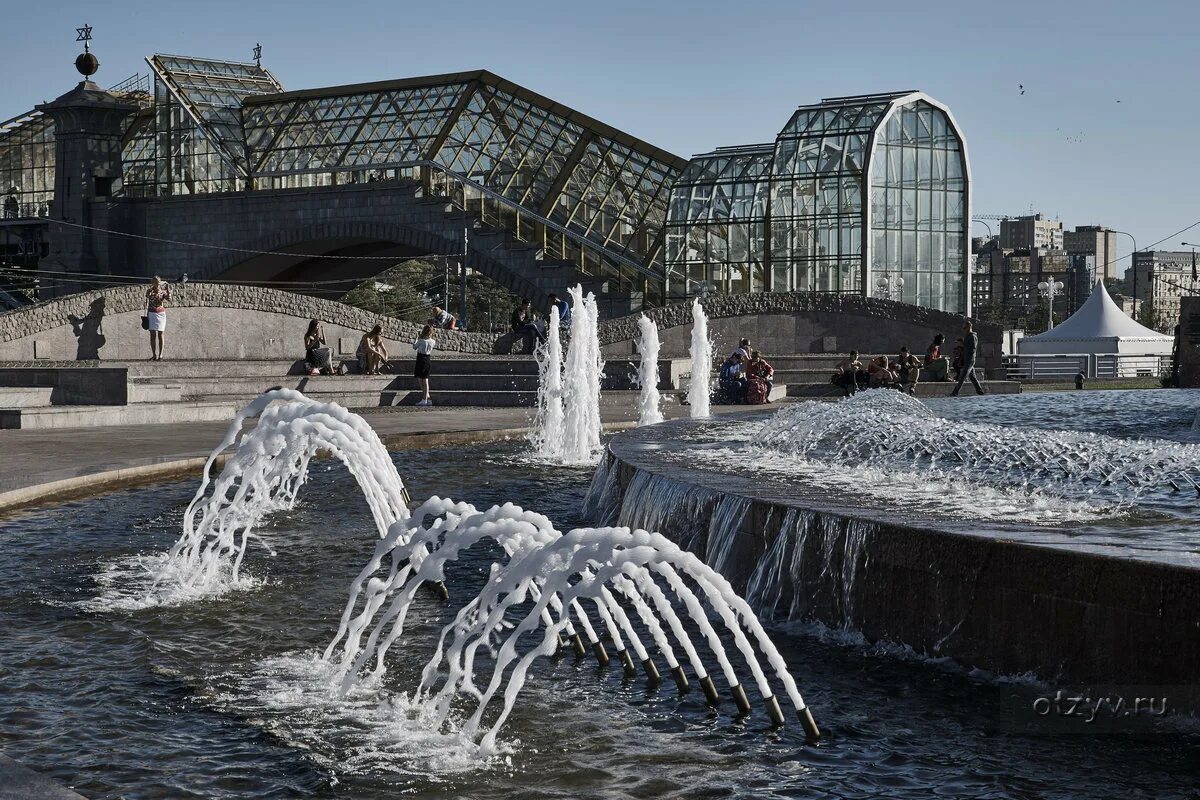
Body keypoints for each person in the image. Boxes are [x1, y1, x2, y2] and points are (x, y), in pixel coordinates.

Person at [951, 321, 987, 396]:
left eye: (965, 328)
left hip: (970, 359)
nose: (963, 330)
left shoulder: (973, 336)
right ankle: (980, 392)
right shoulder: (967, 336)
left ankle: (955, 392)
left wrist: (963, 345)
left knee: (963, 376)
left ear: (969, 327)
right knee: (973, 377)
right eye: (963, 328)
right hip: (967, 359)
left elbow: (972, 349)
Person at [145, 276, 172, 361]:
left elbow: (169, 299)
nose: (157, 284)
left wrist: (168, 290)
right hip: (152, 313)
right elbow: (147, 297)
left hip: (160, 314)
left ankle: (160, 355)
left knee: (160, 334)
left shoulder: (162, 292)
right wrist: (150, 291)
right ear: (152, 282)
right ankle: (154, 354)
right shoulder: (150, 291)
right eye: (155, 282)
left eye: (158, 282)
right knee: (152, 335)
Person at [413, 324, 436, 406]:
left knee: (422, 379)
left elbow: (414, 347)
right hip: (427, 359)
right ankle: (427, 397)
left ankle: (424, 399)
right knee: (424, 379)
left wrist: (416, 338)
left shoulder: (421, 340)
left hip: (420, 358)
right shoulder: (433, 341)